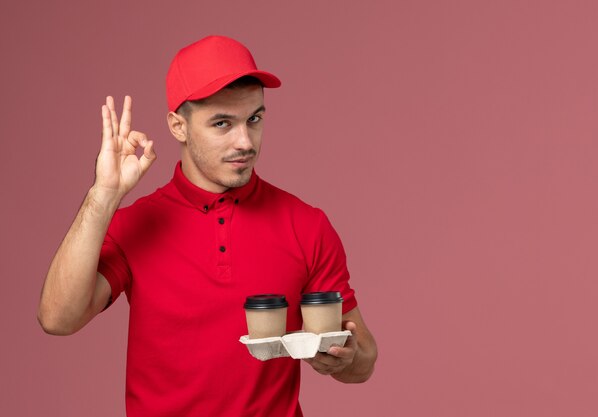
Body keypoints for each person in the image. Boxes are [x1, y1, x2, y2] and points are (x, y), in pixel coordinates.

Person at [38, 35, 377, 417]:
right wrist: (103, 195)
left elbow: (363, 357)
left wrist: (345, 360)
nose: (244, 141)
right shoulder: (137, 222)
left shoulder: (306, 224)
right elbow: (57, 319)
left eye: (254, 119)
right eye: (222, 124)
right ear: (178, 126)